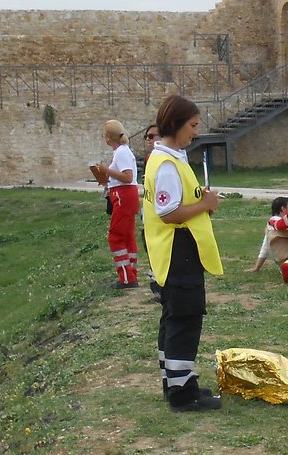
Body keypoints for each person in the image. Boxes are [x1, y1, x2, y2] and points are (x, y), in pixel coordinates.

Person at [142, 94, 223, 413]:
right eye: (192, 125)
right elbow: (168, 212)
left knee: (175, 317)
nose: (196, 131)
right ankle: (181, 394)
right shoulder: (165, 163)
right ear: (175, 124)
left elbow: (175, 204)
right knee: (184, 318)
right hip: (178, 251)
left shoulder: (168, 158)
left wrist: (199, 204)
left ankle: (177, 380)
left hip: (175, 251)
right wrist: (204, 205)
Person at [94, 119, 140, 287]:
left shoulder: (121, 152)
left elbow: (127, 177)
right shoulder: (123, 151)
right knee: (127, 236)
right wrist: (106, 179)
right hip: (125, 195)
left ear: (108, 137)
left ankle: (126, 277)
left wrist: (106, 170)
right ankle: (131, 273)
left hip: (123, 196)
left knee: (115, 236)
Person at [248, 196, 288, 272]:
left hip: (282, 265)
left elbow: (265, 247)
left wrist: (257, 267)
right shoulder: (286, 225)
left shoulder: (270, 224)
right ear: (283, 209)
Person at [140, 122, 161, 299]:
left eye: (152, 136)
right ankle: (156, 282)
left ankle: (159, 285)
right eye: (147, 137)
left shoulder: (164, 159)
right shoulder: (150, 158)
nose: (149, 140)